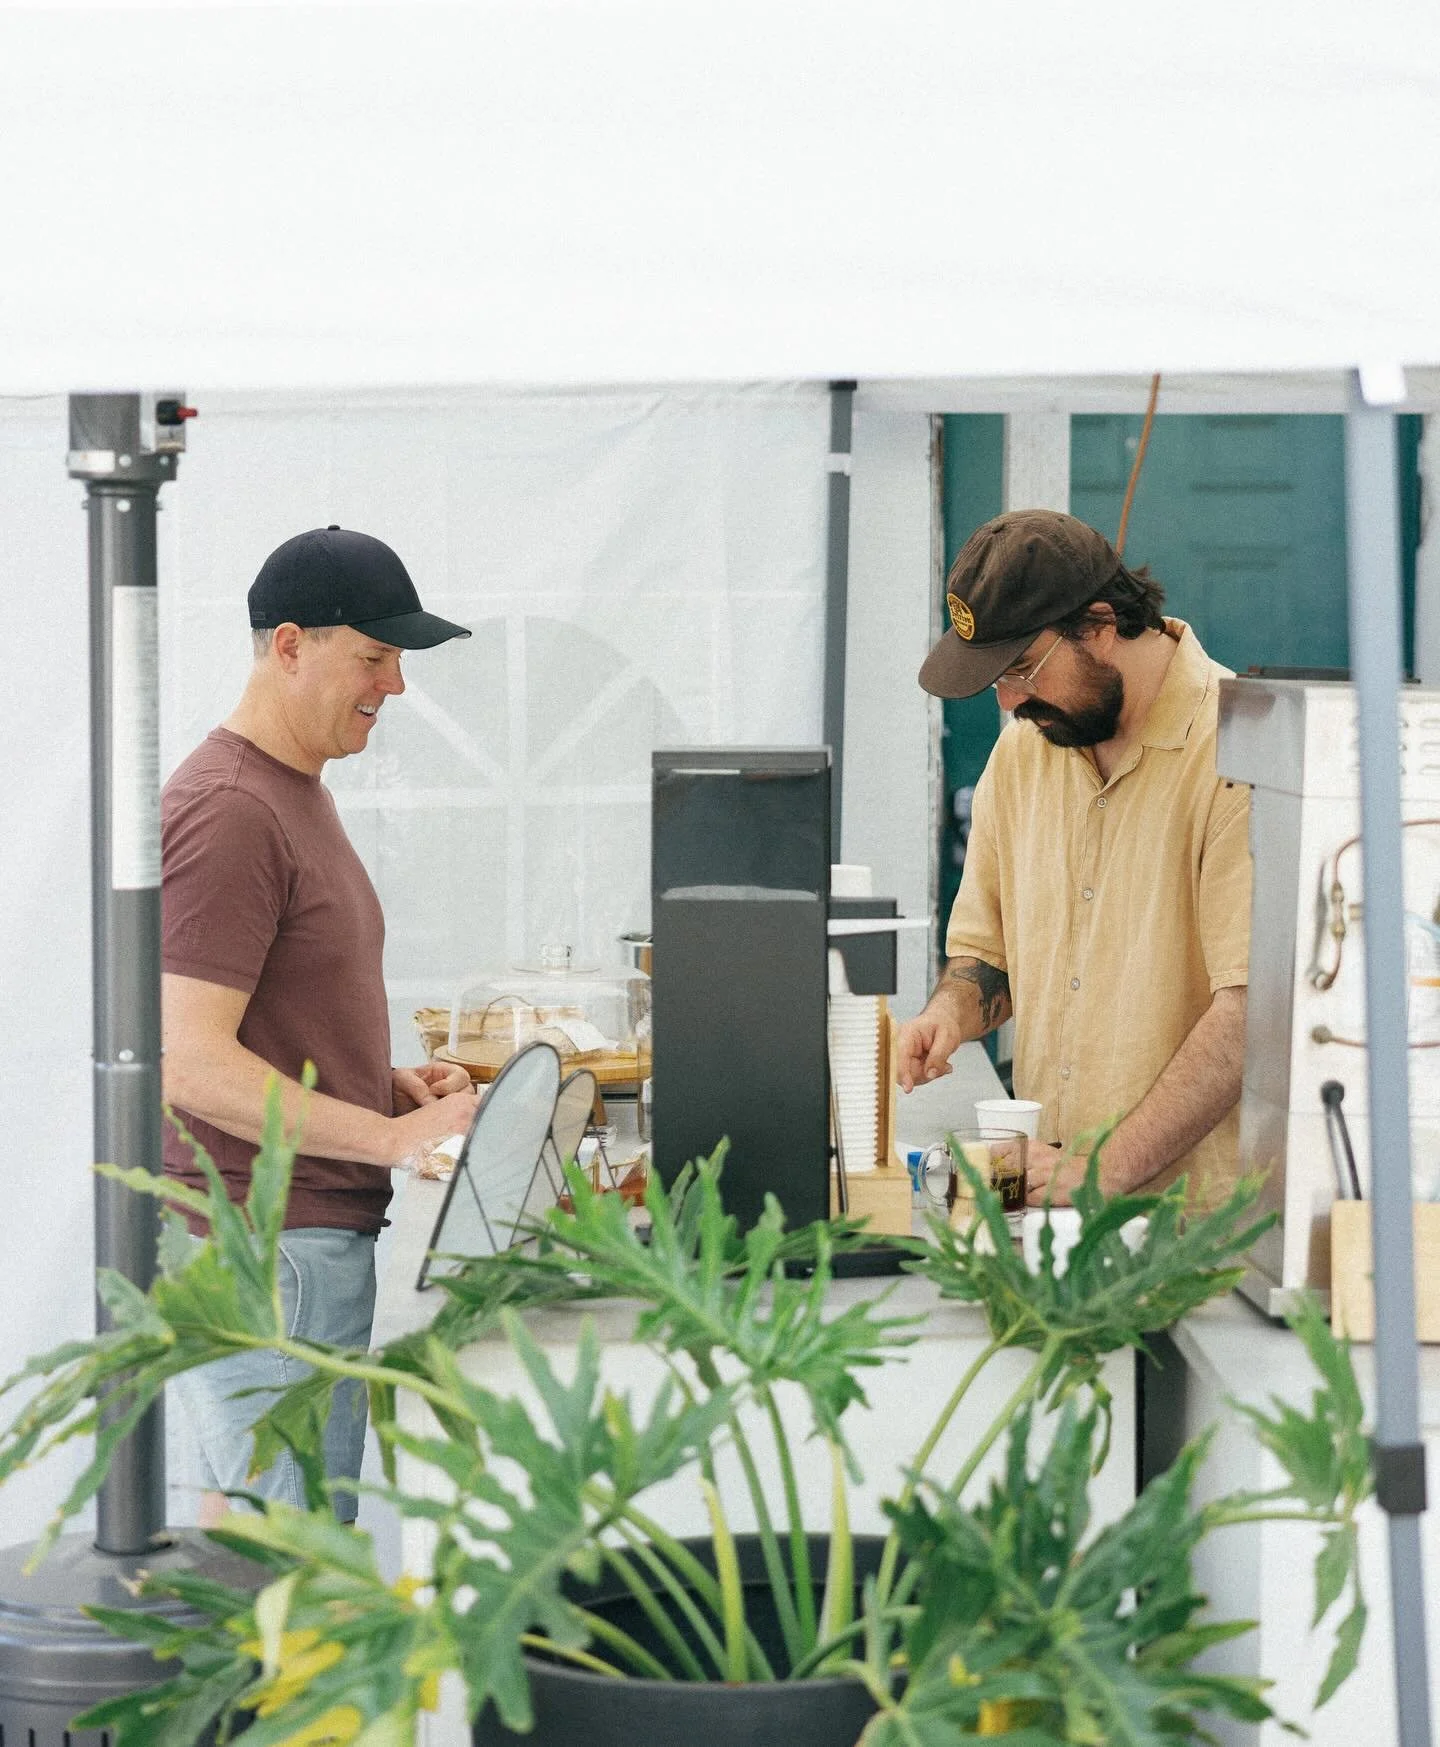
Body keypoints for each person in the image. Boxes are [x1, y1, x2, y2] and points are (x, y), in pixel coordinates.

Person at [162, 525, 480, 1524]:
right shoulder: (229, 810)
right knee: (293, 1574)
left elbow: (264, 1020)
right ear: (291, 645)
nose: (394, 685)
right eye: (375, 657)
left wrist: (379, 1083)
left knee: (275, 1567)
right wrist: (388, 1138)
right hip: (272, 1253)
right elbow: (188, 1058)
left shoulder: (293, 795)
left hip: (298, 1247)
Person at [897, 509, 1251, 1211]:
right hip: (1046, 1205)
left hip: (1187, 1238)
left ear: (1098, 623)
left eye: (1021, 668)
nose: (1008, 701)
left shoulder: (1238, 752)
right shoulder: (1023, 753)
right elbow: (985, 954)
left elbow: (1249, 1016)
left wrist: (1106, 1167)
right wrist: (951, 1011)